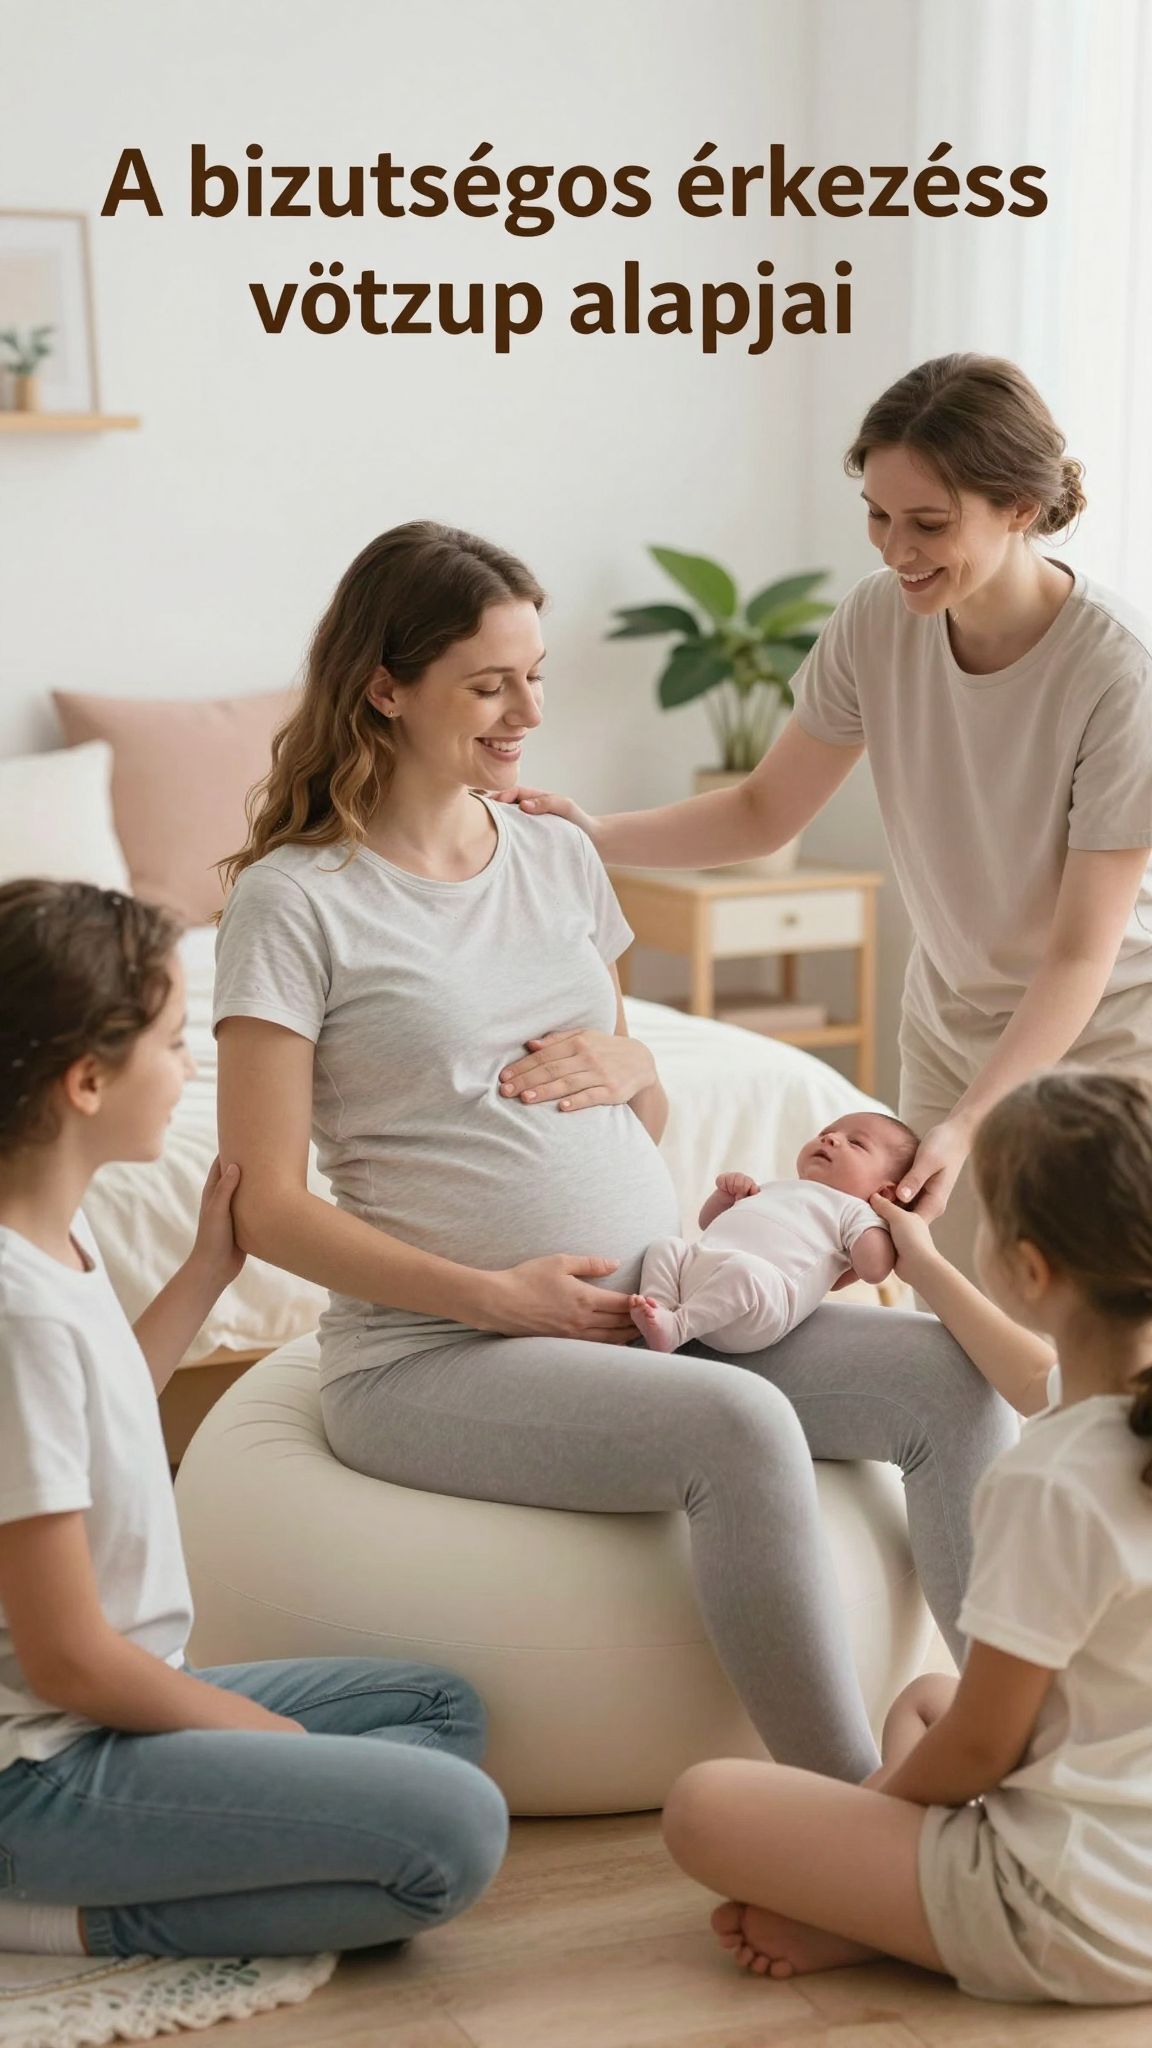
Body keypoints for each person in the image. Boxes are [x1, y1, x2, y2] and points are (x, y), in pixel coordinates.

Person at [213, 520, 1014, 1791]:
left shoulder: (557, 851)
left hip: (664, 1303)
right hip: (437, 1351)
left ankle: (1007, 1763)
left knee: (954, 1382)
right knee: (741, 1425)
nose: (530, 711)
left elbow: (634, 1113)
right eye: (490, 683)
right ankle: (850, 1814)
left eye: (536, 674)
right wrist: (494, 1296)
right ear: (385, 687)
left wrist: (639, 1069)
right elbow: (264, 1206)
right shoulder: (295, 900)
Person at [500, 355, 1152, 1278]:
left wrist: (971, 1121)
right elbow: (764, 810)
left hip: (1102, 1035)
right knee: (952, 1305)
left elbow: (1082, 952)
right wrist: (597, 836)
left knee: (1093, 1310)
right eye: (879, 516)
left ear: (1019, 507)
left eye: (929, 524)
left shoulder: (1118, 673)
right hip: (952, 1020)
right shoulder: (878, 621)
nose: (895, 551)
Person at [0, 878, 507, 1960]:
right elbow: (67, 1662)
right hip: (40, 1769)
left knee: (438, 1707)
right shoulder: (17, 1312)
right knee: (455, 1831)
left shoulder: (54, 1243)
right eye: (174, 1042)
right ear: (87, 1080)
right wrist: (267, 1738)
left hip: (116, 1708)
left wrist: (206, 1269)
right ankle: (47, 1914)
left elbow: (105, 1410)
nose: (193, 1067)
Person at [663, 1069, 1152, 2007]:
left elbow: (979, 1751)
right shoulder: (1120, 1413)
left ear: (1028, 1269)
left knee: (704, 1806)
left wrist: (845, 1833)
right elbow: (1036, 1375)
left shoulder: (1050, 1482)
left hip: (1074, 1912)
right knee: (928, 1694)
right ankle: (876, 1906)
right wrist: (919, 1263)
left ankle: (877, 1913)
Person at [630, 1110, 916, 1353]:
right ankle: (660, 1308)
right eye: (826, 1132)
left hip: (760, 1307)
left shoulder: (854, 1212)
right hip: (701, 1275)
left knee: (744, 1272)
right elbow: (707, 1222)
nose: (831, 1138)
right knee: (666, 1247)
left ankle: (678, 1328)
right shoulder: (777, 1187)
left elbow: (874, 1270)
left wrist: (881, 1221)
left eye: (856, 1143)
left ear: (884, 1192)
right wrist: (726, 1196)